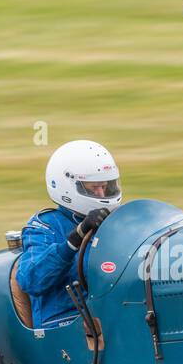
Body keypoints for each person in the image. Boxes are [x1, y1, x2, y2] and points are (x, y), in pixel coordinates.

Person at [15, 140, 122, 327]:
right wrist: (75, 239)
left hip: (111, 313)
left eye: (106, 186)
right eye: (92, 187)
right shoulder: (45, 226)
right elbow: (30, 280)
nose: (102, 193)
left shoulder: (115, 221)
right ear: (67, 186)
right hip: (67, 323)